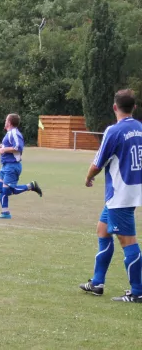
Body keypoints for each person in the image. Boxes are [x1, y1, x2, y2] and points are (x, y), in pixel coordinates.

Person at [79, 89, 142, 303]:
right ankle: (97, 283)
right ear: (134, 107)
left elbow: (98, 162)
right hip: (131, 190)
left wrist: (88, 177)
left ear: (115, 107)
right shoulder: (140, 128)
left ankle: (137, 291)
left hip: (120, 194)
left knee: (128, 241)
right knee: (102, 230)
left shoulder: (113, 131)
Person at [0, 113, 43, 219]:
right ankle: (5, 213)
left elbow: (18, 147)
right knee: (0, 189)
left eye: (6, 120)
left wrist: (4, 149)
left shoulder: (14, 133)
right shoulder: (9, 133)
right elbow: (10, 147)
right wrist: (2, 147)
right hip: (5, 166)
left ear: (9, 122)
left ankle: (31, 186)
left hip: (12, 166)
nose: (5, 121)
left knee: (7, 191)